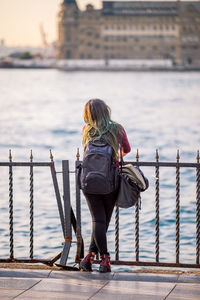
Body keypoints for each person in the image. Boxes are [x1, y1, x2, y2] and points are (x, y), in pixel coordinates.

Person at [80, 99, 131, 273]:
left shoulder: (86, 130)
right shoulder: (117, 129)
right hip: (110, 181)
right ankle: (105, 259)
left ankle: (88, 257)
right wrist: (116, 155)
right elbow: (126, 150)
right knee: (103, 220)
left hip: (88, 181)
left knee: (97, 220)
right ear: (106, 111)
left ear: (88, 114)